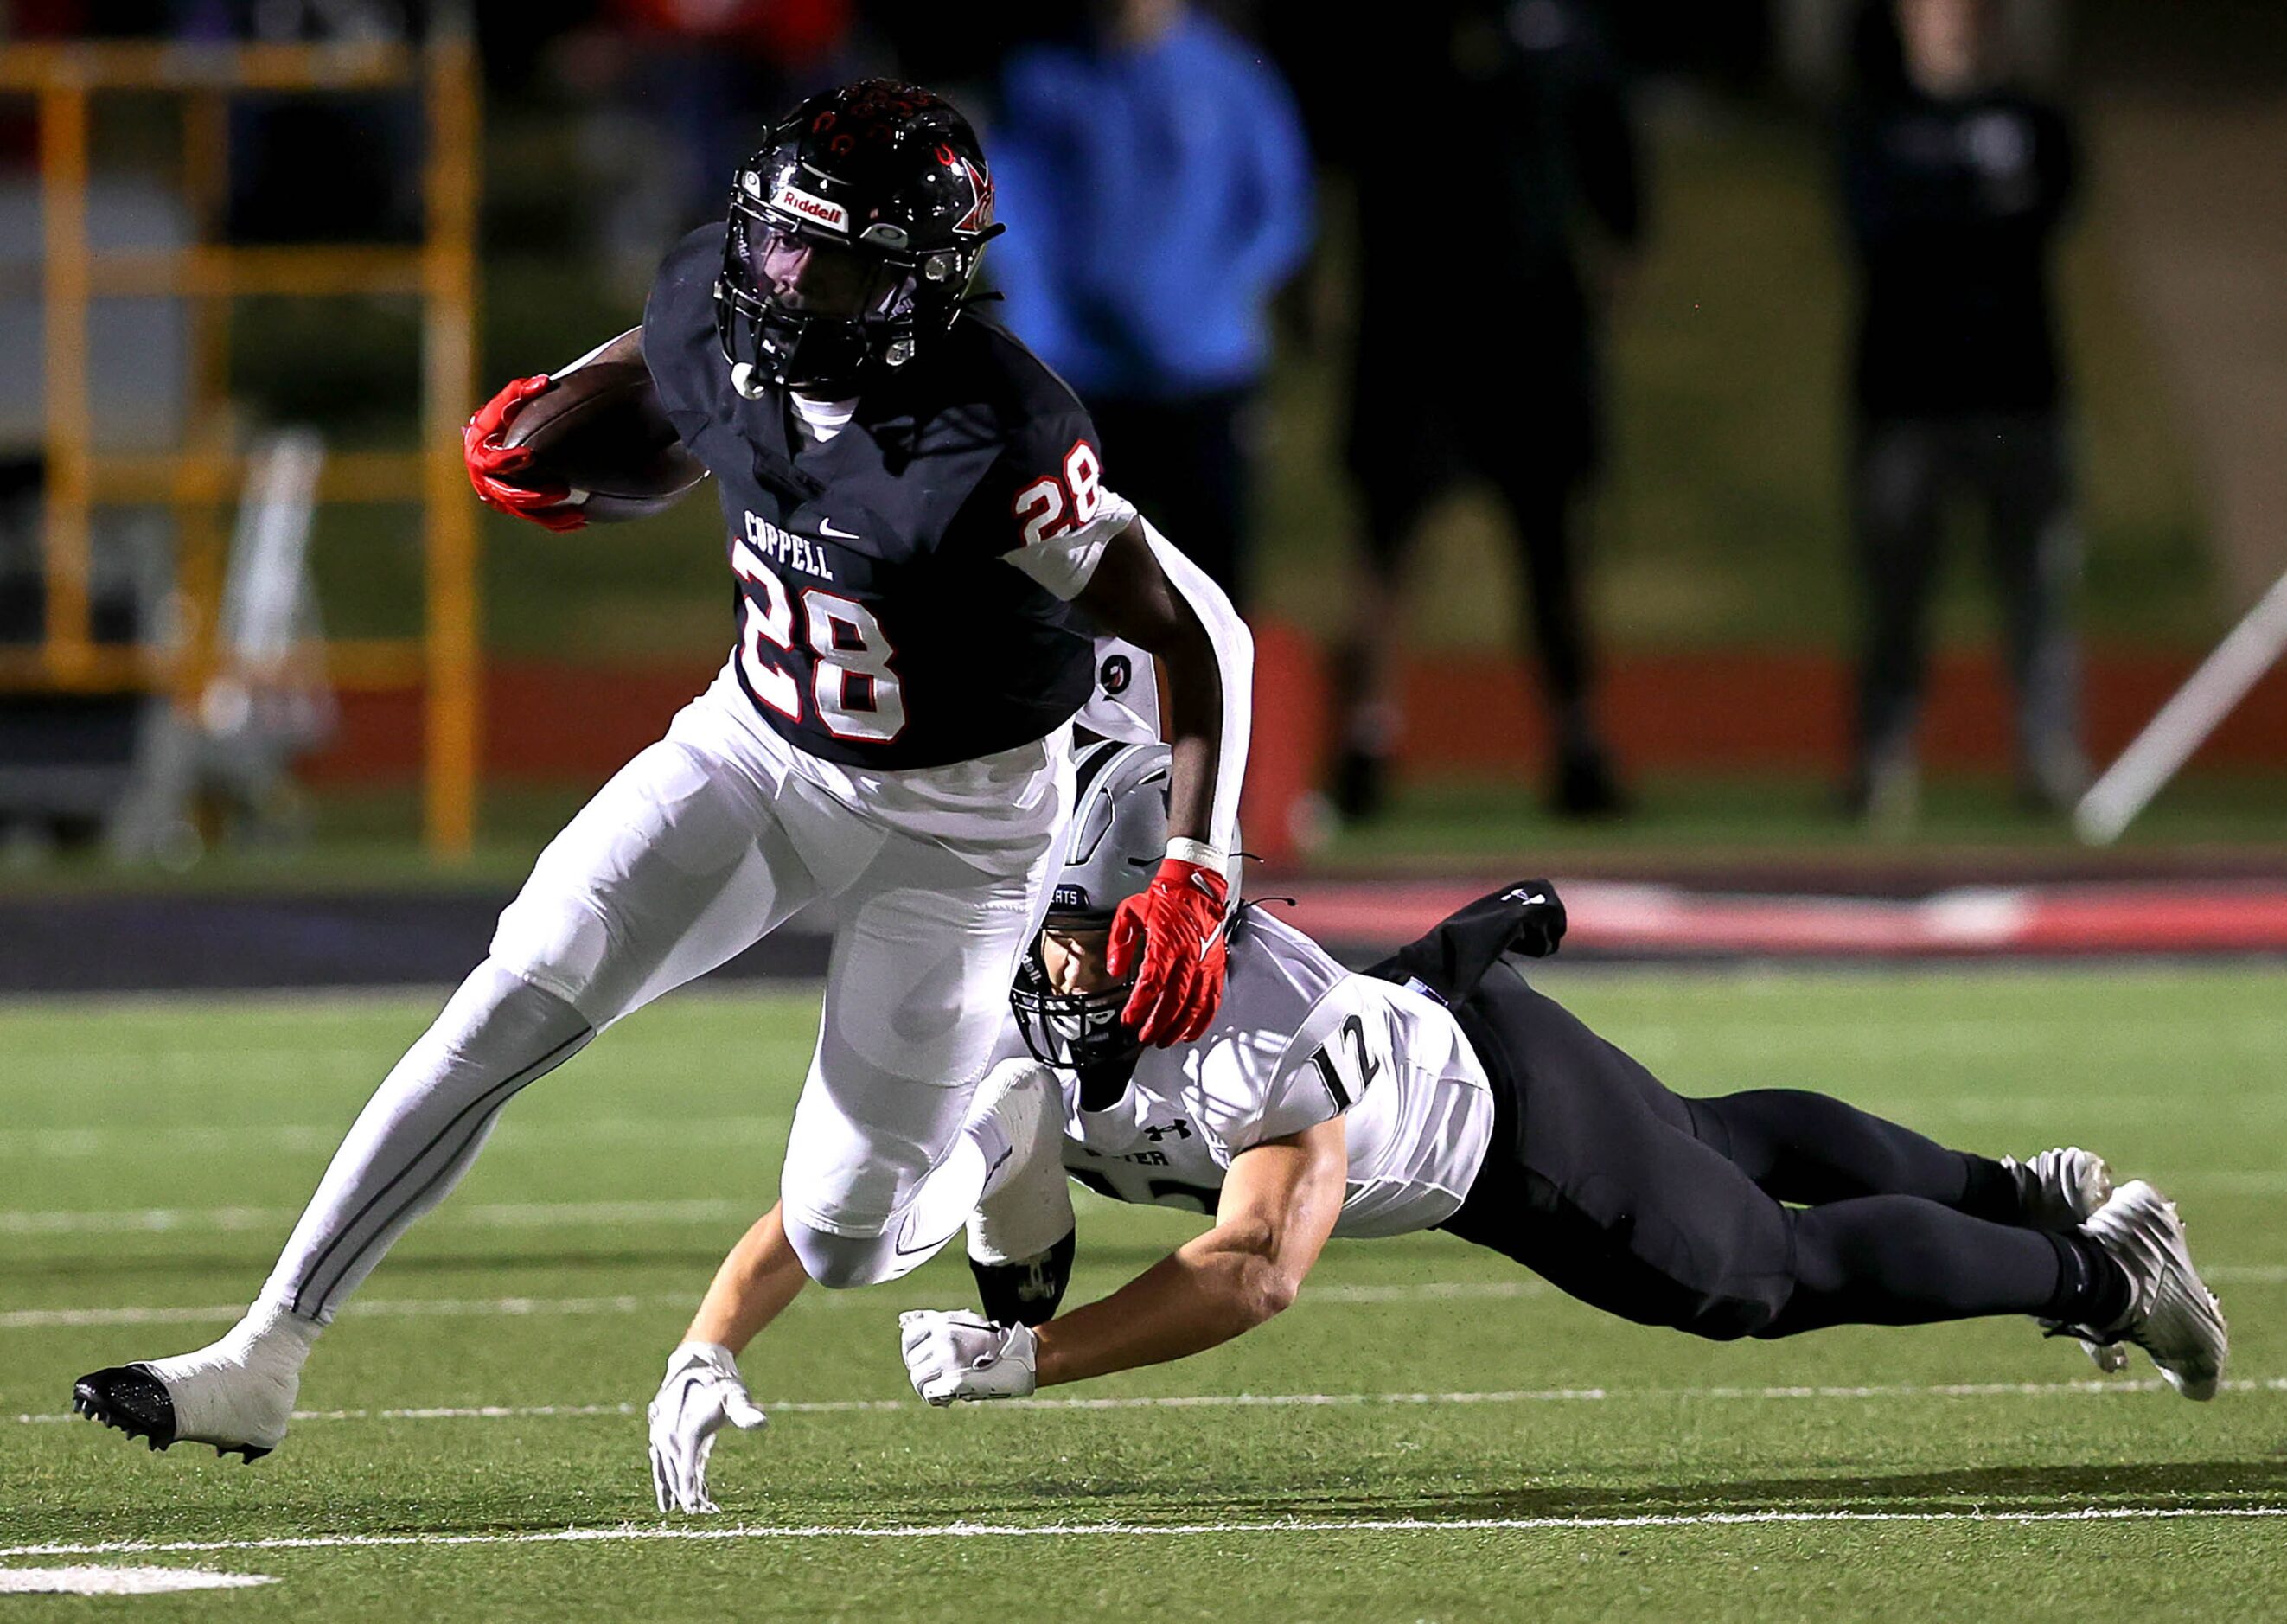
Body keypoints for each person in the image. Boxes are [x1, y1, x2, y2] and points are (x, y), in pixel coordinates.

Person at [69, 80, 1255, 1464]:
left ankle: (1000, 1127)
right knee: (508, 999)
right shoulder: (720, 294)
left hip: (963, 828)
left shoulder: (1001, 445)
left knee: (849, 1236)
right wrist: (569, 417)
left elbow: (1199, 626)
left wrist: (1195, 863)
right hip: (753, 747)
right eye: (776, 245)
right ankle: (262, 1352)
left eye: (839, 263)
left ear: (923, 286)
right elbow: (675, 380)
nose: (787, 284)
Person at [643, 737, 2226, 1513]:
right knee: (1715, 1130)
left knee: (1751, 1272)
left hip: (1500, 1139)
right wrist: (713, 1337)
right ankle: (2025, 1188)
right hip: (1449, 1032)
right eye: (1049, 935)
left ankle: (2101, 1270)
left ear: (1170, 931)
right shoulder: (1010, 1019)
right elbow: (840, 1195)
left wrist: (1033, 1357)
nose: (1050, 970)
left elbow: (1258, 1266)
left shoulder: (1264, 1029)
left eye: (1083, 942)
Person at [1321, 0, 1642, 821]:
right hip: (1412, 322)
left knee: (1554, 542)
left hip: (1531, 324)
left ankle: (1578, 741)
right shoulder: (1387, 30)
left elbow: (1611, 158)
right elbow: (1331, 151)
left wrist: (1616, 256)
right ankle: (1362, 742)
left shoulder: (1562, 30)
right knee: (1386, 540)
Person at [986, 0, 1315, 606]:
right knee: (1078, 583)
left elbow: (1279, 206)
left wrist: (1210, 298)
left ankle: (1220, 703)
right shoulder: (1043, 78)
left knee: (1210, 580)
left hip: (1206, 372)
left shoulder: (1230, 78)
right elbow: (1012, 207)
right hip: (1085, 379)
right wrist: (1040, 323)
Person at [1842, 0, 2084, 824]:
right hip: (1905, 396)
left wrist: (1947, 211)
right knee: (1896, 592)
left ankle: (2047, 758)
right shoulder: (1873, 119)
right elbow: (1875, 227)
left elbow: (2049, 216)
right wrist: (1979, 206)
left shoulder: (2032, 117)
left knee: (2036, 588)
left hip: (2021, 390)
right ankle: (1883, 764)